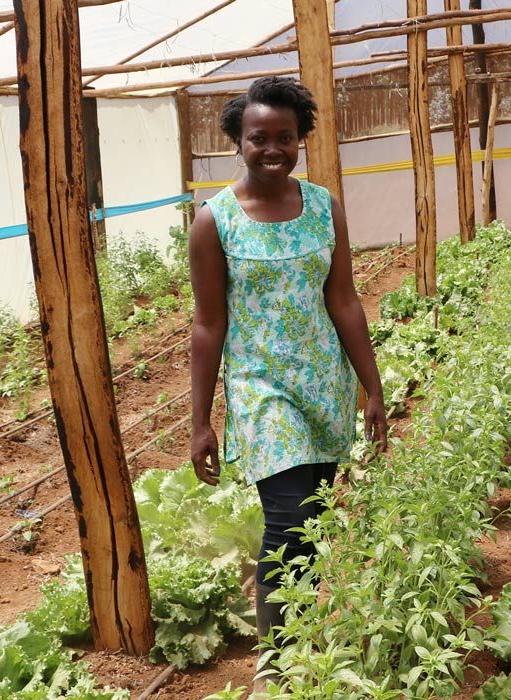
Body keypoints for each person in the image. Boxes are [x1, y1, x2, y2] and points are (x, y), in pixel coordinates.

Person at [188, 77, 388, 695]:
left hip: (323, 384)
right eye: (258, 139)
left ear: (300, 138)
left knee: (315, 519)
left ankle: (299, 637)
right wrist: (199, 420)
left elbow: (345, 300)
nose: (272, 149)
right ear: (237, 143)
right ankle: (276, 661)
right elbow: (207, 323)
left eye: (285, 137)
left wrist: (372, 387)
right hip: (260, 389)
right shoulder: (213, 221)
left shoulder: (324, 206)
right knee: (287, 516)